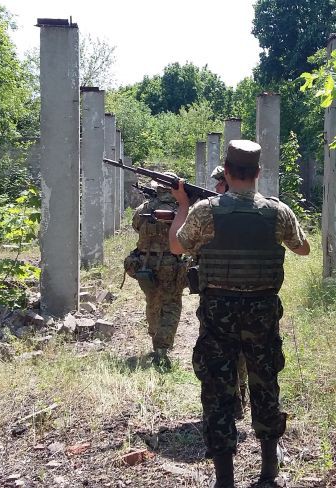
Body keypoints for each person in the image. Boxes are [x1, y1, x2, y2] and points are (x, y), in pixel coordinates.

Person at [169, 140, 310, 487]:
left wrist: (182, 205)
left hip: (219, 312)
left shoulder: (205, 211)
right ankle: (268, 472)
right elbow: (303, 249)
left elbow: (175, 245)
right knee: (265, 383)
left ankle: (225, 480)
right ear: (258, 172)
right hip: (262, 311)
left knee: (218, 390)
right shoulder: (278, 212)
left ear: (227, 172)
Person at [127, 179, 188, 370]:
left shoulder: (143, 208)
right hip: (171, 263)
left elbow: (136, 226)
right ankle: (163, 347)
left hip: (145, 264)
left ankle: (156, 337)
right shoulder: (181, 209)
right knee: (171, 304)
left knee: (152, 301)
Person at [211, 164, 249, 421]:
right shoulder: (261, 210)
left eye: (219, 183)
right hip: (251, 294)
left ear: (228, 182)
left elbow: (182, 244)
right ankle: (238, 398)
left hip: (223, 294)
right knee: (241, 352)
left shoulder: (212, 212)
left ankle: (232, 401)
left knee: (225, 352)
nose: (216, 188)